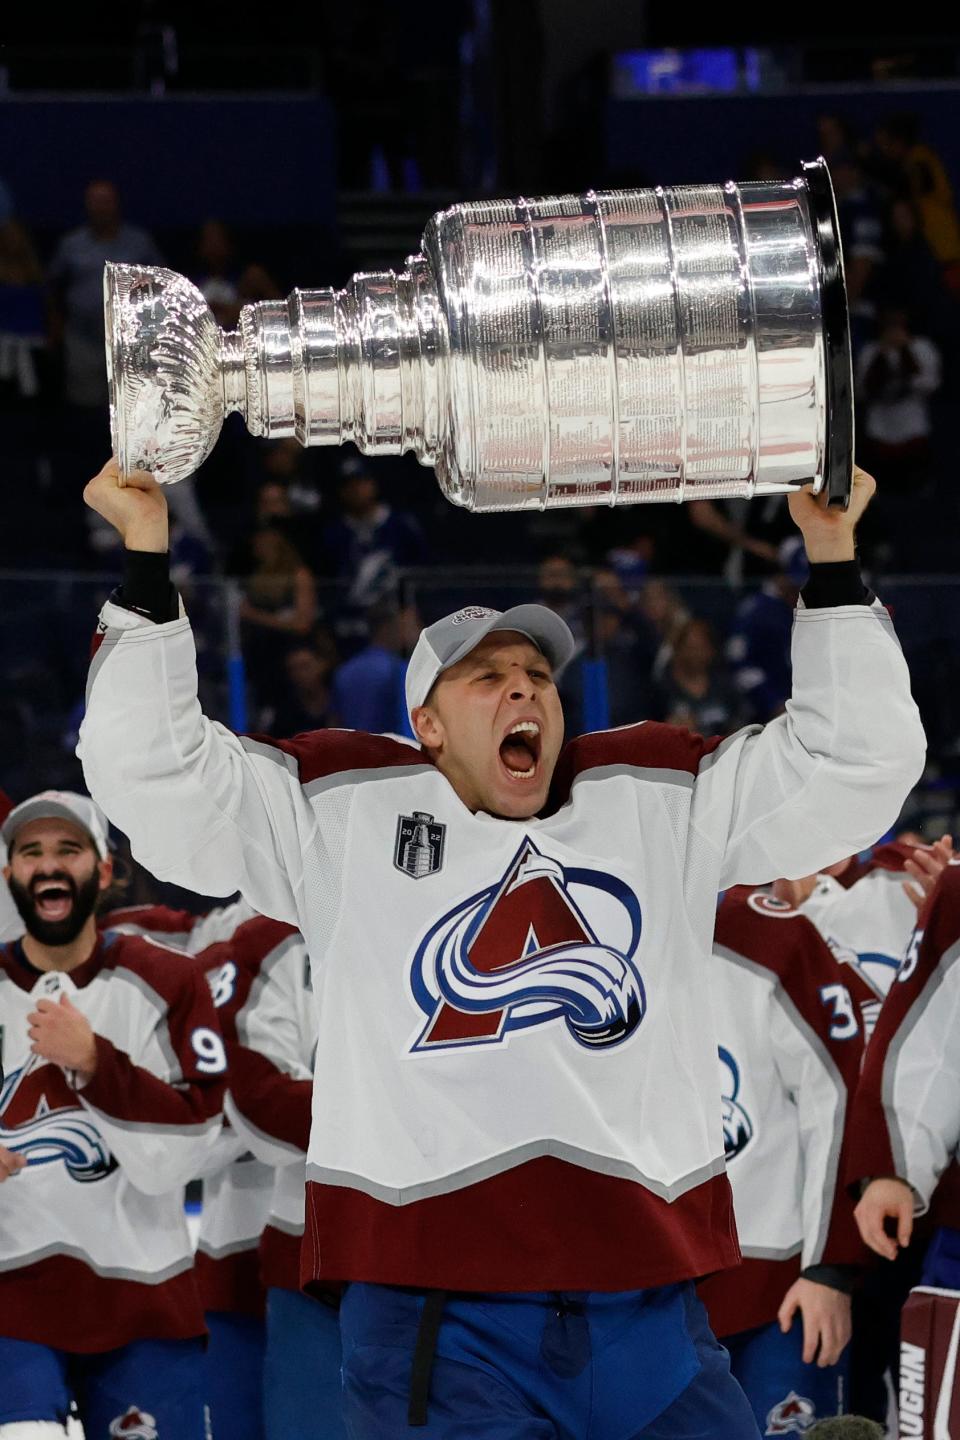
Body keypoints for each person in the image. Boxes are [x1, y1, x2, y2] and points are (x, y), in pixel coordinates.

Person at [79, 455, 924, 1440]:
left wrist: (833, 568)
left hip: (645, 1300)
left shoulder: (657, 798)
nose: (523, 690)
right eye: (487, 677)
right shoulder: (342, 813)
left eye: (536, 675)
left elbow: (854, 766)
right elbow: (154, 778)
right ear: (426, 724)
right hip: (440, 1311)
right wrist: (144, 563)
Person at [0, 789, 226, 1438]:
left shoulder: (169, 982)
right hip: (10, 1294)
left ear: (103, 871)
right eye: (31, 852)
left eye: (69, 850)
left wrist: (98, 1065)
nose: (48, 866)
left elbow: (188, 1150)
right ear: (9, 873)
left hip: (143, 1303)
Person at [699, 884, 870, 1434]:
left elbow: (840, 1098)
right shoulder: (585, 924)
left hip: (777, 1290)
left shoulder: (770, 934)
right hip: (631, 1297)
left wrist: (830, 1267)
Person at [222, 914, 347, 1440]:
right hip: (310, 1270)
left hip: (449, 1270)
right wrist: (395, 1114)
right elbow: (258, 1105)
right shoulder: (273, 938)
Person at [48, 180, 163, 412]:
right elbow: (53, 288)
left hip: (130, 341)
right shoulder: (71, 245)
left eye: (106, 202)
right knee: (84, 410)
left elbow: (161, 286)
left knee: (129, 409)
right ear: (87, 205)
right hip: (83, 339)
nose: (101, 207)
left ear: (116, 204)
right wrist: (55, 328)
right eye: (95, 202)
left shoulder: (139, 243)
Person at [329, 603, 411, 734]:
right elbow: (408, 724)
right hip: (390, 751)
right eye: (401, 627)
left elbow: (333, 724)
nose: (404, 633)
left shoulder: (344, 671)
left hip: (350, 751)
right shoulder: (398, 670)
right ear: (387, 628)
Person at [655, 618, 743, 734]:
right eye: (691, 648)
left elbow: (741, 721)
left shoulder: (725, 686)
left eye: (702, 648)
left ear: (711, 651)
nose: (696, 654)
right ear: (677, 649)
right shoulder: (661, 691)